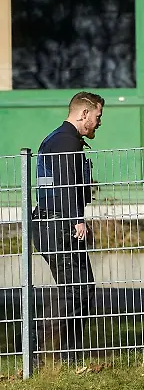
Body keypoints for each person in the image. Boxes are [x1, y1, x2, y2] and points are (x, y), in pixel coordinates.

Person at [31, 91, 104, 365]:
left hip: (52, 223)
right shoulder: (66, 142)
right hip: (58, 224)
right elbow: (64, 184)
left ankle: (68, 354)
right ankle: (35, 343)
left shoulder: (60, 138)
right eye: (97, 116)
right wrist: (77, 219)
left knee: (80, 288)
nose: (99, 123)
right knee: (76, 289)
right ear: (83, 113)